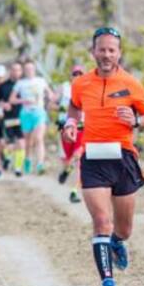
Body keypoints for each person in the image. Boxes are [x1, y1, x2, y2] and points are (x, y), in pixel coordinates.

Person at [61, 28, 144, 286]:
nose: (106, 55)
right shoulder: (82, 84)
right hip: (93, 159)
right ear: (93, 52)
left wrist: (136, 121)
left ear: (119, 53)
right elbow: (74, 108)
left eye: (111, 50)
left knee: (124, 228)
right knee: (101, 221)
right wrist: (69, 123)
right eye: (101, 49)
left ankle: (116, 242)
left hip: (123, 157)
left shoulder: (132, 84)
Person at [10, 60, 52, 175]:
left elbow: (50, 94)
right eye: (27, 69)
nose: (29, 71)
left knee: (39, 138)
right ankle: (27, 159)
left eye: (31, 69)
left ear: (34, 69)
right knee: (28, 142)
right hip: (25, 114)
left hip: (39, 112)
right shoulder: (20, 83)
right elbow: (12, 100)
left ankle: (40, 164)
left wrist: (50, 98)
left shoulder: (41, 81)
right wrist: (23, 100)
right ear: (24, 70)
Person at [56, 64, 87, 202]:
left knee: (79, 159)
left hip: (83, 129)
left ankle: (74, 192)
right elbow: (52, 103)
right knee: (68, 160)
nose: (77, 76)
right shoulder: (65, 88)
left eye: (80, 74)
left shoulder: (89, 90)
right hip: (66, 129)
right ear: (71, 76)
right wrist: (59, 107)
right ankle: (66, 171)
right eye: (75, 74)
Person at [2, 61, 26, 173]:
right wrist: (3, 104)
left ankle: (17, 168)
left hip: (24, 118)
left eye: (18, 70)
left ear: (21, 72)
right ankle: (7, 158)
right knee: (10, 143)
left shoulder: (27, 85)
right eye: (13, 69)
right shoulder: (3, 86)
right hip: (9, 118)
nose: (16, 72)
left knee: (21, 143)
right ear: (10, 71)